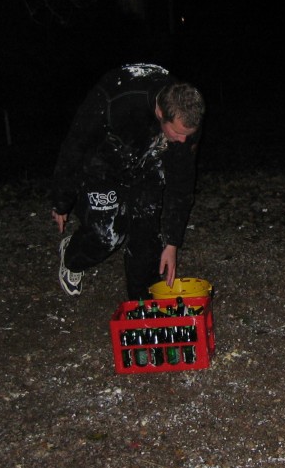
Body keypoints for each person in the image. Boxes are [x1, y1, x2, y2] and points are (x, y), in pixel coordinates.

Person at [50, 63, 204, 300]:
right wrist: (62, 200)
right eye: (178, 134)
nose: (184, 141)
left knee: (147, 236)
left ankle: (141, 309)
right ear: (161, 114)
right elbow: (75, 145)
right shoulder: (116, 101)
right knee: (107, 235)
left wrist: (172, 243)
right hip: (102, 162)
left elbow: (181, 184)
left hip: (146, 162)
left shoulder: (186, 118)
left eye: (188, 135)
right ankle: (72, 257)